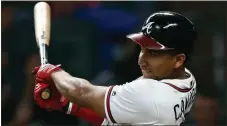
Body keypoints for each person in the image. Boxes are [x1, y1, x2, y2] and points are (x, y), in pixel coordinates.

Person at [33, 11, 197, 125]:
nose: (141, 60)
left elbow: (82, 92)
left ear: (178, 60)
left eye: (153, 54)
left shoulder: (151, 94)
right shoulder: (186, 78)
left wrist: (51, 71)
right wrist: (66, 103)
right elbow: (122, 116)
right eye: (142, 49)